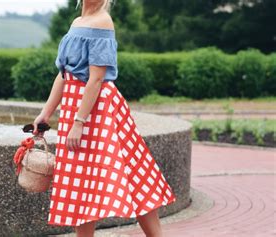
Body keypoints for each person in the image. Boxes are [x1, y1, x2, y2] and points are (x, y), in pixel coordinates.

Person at [32, 0, 177, 236]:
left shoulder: (103, 22)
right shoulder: (77, 22)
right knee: (82, 181)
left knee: (134, 173)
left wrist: (79, 122)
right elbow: (64, 74)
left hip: (98, 111)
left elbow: (96, 79)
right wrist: (46, 113)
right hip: (78, 107)